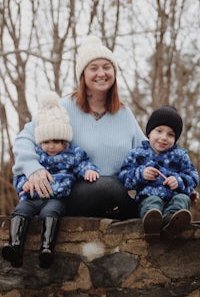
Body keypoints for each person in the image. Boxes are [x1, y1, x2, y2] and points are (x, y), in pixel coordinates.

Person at [11, 35, 147, 221]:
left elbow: (148, 154)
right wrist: (32, 168)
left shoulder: (125, 114)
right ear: (83, 75)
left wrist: (177, 185)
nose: (101, 73)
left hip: (115, 199)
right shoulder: (62, 107)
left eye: (107, 67)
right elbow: (24, 138)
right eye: (93, 68)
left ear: (114, 73)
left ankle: (160, 212)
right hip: (69, 194)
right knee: (106, 186)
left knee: (124, 191)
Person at [2, 92, 99, 269]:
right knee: (20, 210)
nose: (51, 146)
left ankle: (46, 248)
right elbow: (20, 176)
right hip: (32, 198)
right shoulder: (35, 156)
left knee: (51, 212)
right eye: (46, 141)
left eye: (56, 141)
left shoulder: (71, 154)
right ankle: (15, 246)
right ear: (40, 141)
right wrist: (24, 184)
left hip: (56, 197)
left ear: (65, 141)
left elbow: (83, 163)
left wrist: (89, 171)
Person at [118, 106, 199, 243]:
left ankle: (172, 224)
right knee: (152, 202)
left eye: (170, 134)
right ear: (149, 132)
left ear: (176, 138)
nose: (164, 138)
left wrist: (179, 181)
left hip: (173, 199)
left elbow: (193, 177)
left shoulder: (180, 156)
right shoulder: (137, 154)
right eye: (159, 131)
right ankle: (152, 225)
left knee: (183, 199)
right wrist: (141, 174)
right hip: (148, 198)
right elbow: (124, 176)